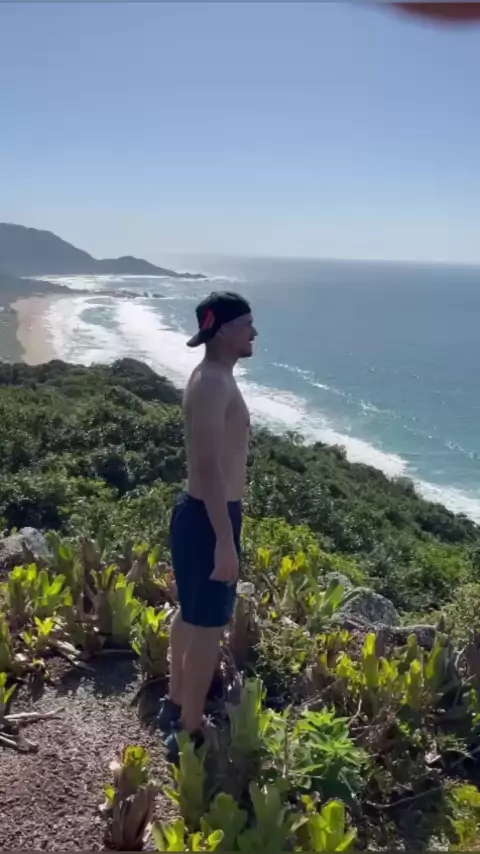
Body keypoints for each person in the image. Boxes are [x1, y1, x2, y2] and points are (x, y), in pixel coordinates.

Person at [159, 291, 257, 758]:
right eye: (247, 324)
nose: (254, 332)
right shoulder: (214, 383)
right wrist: (224, 539)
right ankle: (189, 730)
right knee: (209, 626)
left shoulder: (212, 377)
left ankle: (177, 701)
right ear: (222, 331)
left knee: (192, 613)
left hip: (202, 513)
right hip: (209, 516)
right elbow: (208, 465)